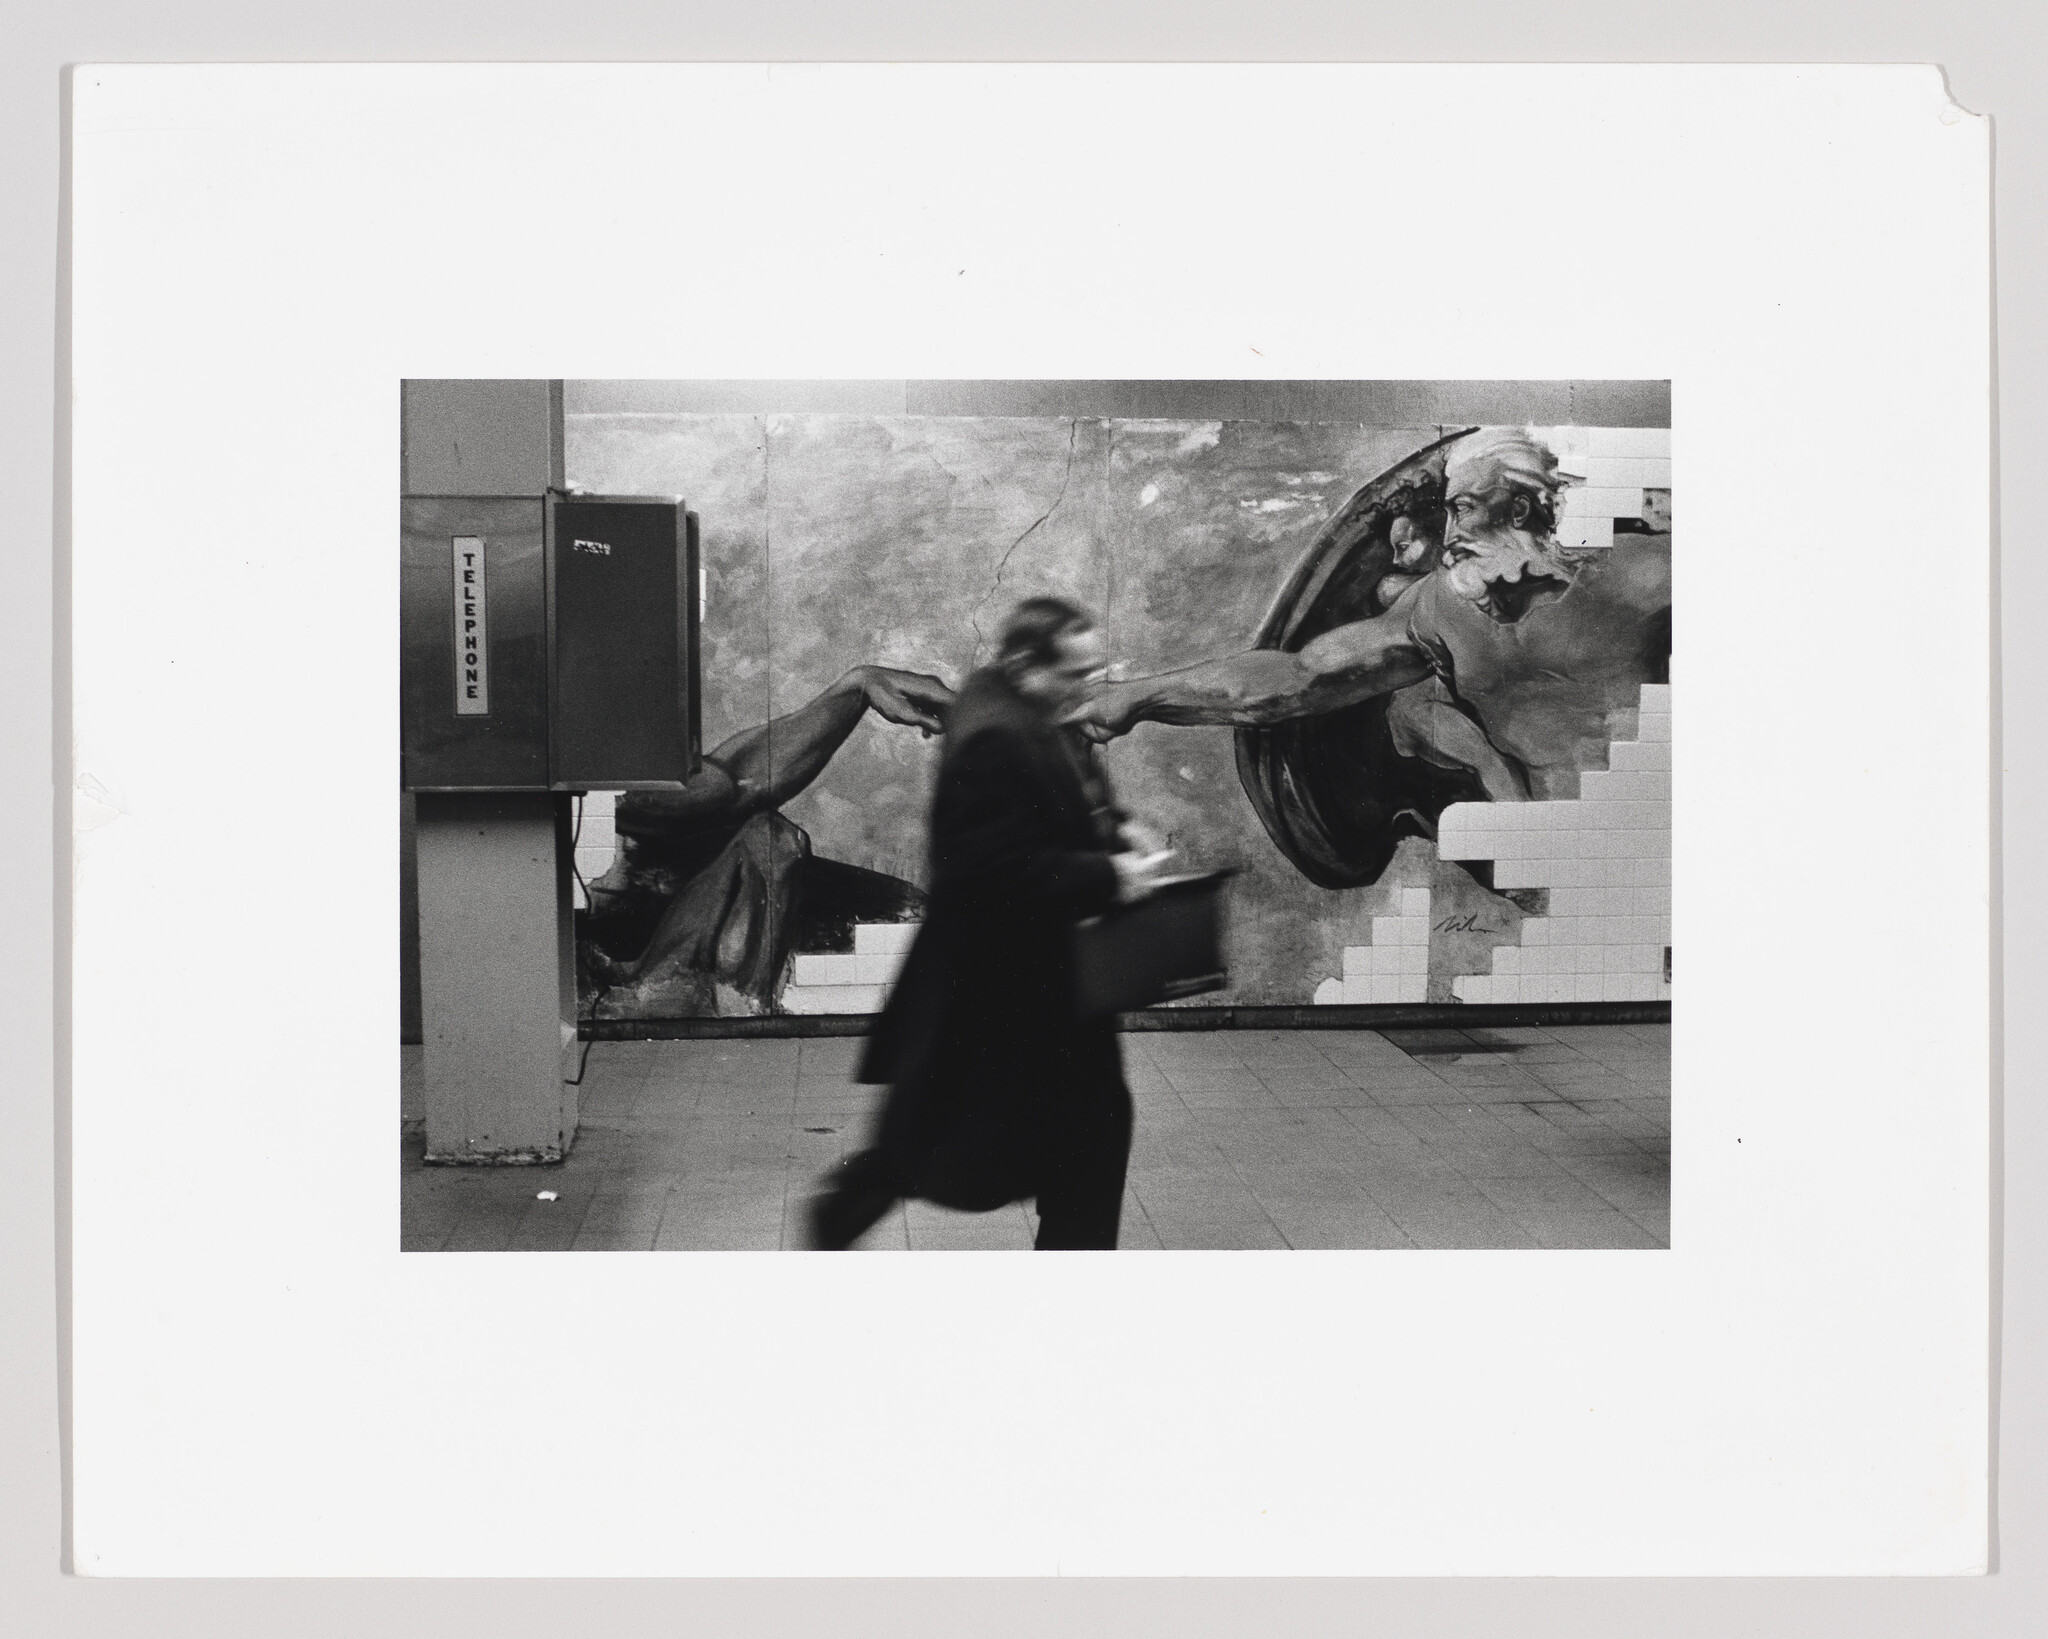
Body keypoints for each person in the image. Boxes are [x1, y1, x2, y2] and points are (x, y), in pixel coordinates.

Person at [807, 597, 1172, 1251]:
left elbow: (1073, 797)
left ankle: (855, 1204)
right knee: (937, 1143)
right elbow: (994, 871)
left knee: (1074, 1139)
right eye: (1075, 674)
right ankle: (841, 1212)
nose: (1089, 688)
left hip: (1041, 989)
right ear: (1027, 663)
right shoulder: (995, 739)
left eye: (1096, 672)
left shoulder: (1032, 706)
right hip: (998, 992)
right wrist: (1110, 875)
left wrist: (1120, 827)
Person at [1073, 430, 1671, 801]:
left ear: (1519, 508)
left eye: (1465, 509)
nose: (1454, 533)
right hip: (1549, 866)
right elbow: (1297, 681)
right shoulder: (1440, 609)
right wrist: (1140, 697)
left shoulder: (1645, 576)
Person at [581, 664, 955, 1016]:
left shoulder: (641, 805)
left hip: (686, 962)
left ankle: (741, 1000)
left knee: (772, 838)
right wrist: (855, 688)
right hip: (644, 973)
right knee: (769, 838)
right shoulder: (619, 806)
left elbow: (732, 783)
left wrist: (857, 686)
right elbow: (728, 787)